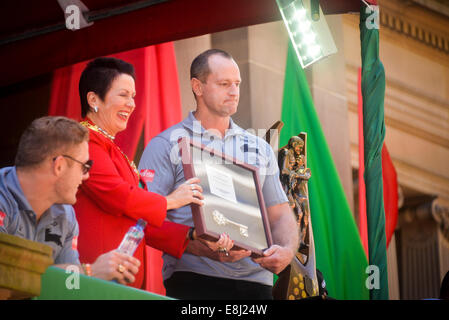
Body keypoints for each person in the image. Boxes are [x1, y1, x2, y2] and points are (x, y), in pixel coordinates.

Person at [138, 49, 299, 299]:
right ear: (197, 87)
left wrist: (288, 251)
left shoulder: (260, 148)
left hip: (257, 284)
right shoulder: (165, 144)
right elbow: (144, 220)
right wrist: (200, 248)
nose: (234, 91)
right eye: (224, 84)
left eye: (237, 84)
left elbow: (279, 214)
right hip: (194, 282)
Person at [74, 57, 232, 290]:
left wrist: (193, 234)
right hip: (96, 277)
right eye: (123, 95)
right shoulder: (84, 142)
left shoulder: (113, 149)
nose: (131, 104)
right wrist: (171, 200)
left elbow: (140, 222)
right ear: (93, 99)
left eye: (134, 96)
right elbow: (118, 196)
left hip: (121, 280)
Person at [0, 116, 140, 285]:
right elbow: (6, 276)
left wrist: (98, 275)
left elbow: (68, 288)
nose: (87, 175)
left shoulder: (66, 215)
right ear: (59, 166)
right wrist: (90, 271)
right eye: (84, 166)